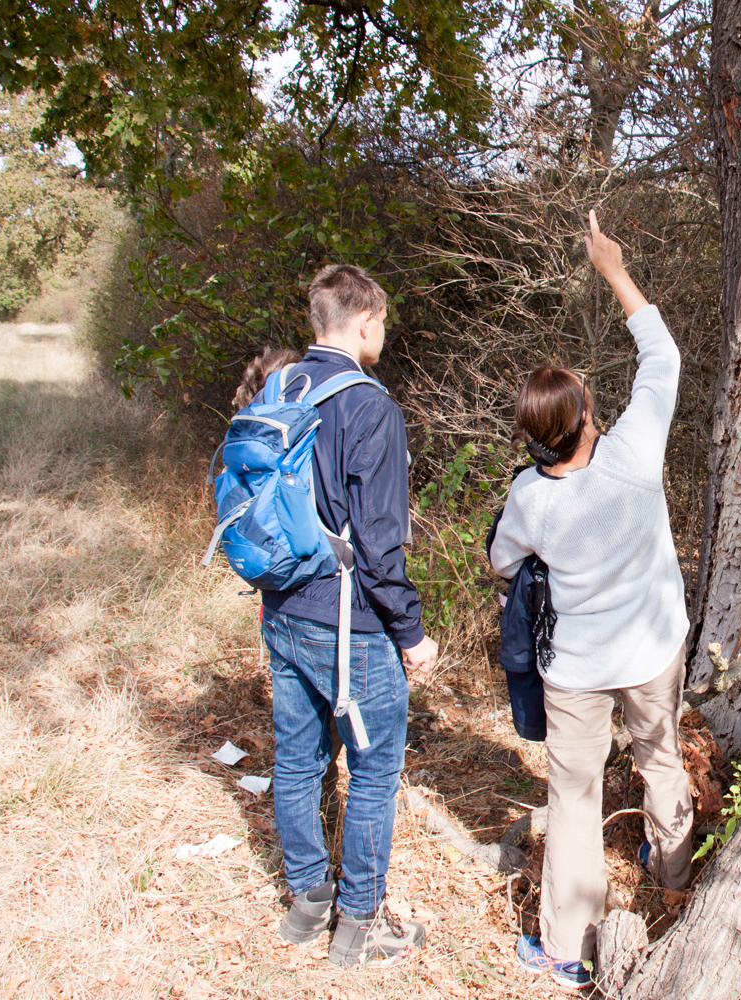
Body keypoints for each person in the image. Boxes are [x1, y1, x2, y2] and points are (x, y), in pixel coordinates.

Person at [489, 211, 693, 990]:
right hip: (651, 649)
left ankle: (566, 949)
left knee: (572, 799)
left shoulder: (529, 500)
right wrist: (611, 266)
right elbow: (662, 354)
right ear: (587, 420)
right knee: (660, 758)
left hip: (574, 669)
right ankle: (674, 881)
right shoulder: (635, 453)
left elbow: (503, 564)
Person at [259, 263, 439, 967]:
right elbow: (379, 544)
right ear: (364, 320)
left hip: (283, 609)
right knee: (373, 770)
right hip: (350, 624)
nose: (384, 334)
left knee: (298, 762)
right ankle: (360, 922)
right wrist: (412, 633)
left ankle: (308, 900)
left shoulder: (280, 386)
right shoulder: (370, 406)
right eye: (384, 322)